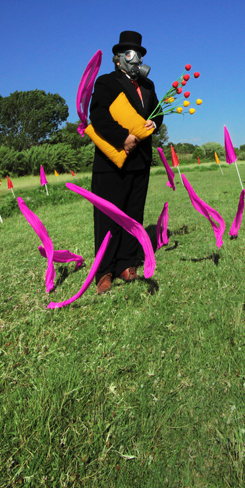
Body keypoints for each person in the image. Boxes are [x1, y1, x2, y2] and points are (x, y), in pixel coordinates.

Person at [90, 31, 161, 293]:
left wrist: (155, 122)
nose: (136, 59)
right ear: (118, 59)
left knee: (133, 215)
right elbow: (98, 116)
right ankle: (105, 269)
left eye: (139, 54)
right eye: (130, 54)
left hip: (140, 162)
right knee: (108, 216)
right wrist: (123, 138)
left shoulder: (150, 86)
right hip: (112, 163)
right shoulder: (106, 82)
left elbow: (158, 114)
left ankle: (127, 263)